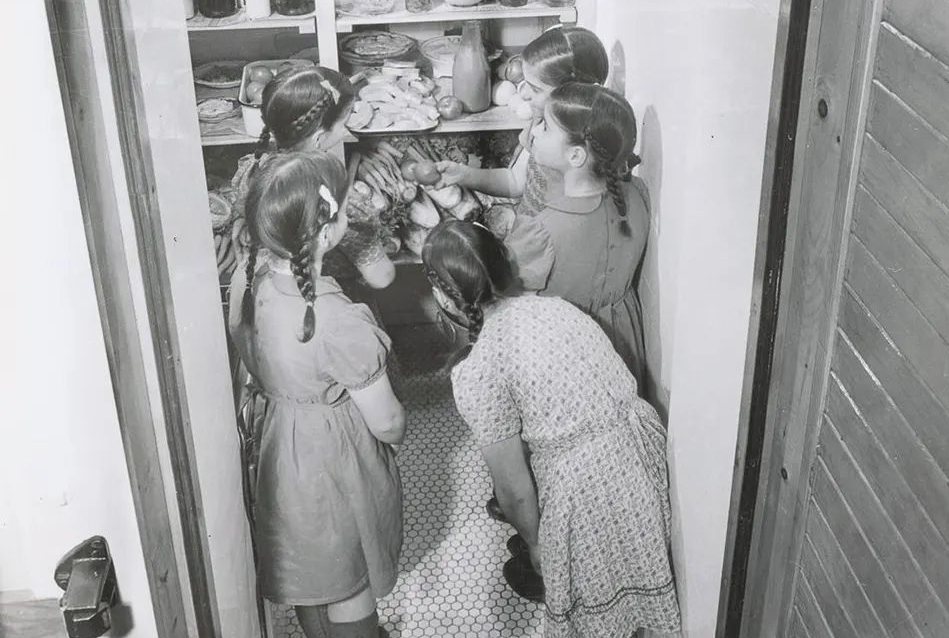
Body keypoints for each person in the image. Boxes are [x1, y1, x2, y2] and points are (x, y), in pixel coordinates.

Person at [422, 221, 680, 638]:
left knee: (590, 615)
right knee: (599, 597)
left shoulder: (477, 371)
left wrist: (539, 544)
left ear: (445, 299)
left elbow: (513, 488)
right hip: (636, 453)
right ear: (503, 265)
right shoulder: (555, 306)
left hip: (591, 488)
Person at [229, 150, 428, 638]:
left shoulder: (250, 276)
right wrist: (396, 433)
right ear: (330, 223)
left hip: (280, 440)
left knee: (309, 569)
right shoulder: (336, 320)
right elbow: (387, 420)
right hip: (330, 450)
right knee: (351, 579)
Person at [504, 82, 650, 388]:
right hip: (622, 347)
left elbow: (511, 311)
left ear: (575, 156)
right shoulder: (637, 196)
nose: (533, 132)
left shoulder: (539, 231)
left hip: (564, 355)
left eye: (544, 127)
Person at [230, 65, 395, 292]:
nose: (344, 131)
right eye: (343, 124)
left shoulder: (253, 170)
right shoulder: (335, 200)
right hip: (323, 301)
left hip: (270, 292)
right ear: (319, 138)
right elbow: (381, 278)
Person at [433, 25, 610, 219]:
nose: (523, 94)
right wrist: (463, 175)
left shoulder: (582, 152)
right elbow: (516, 181)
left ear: (571, 96)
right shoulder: (538, 125)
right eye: (524, 83)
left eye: (535, 89)